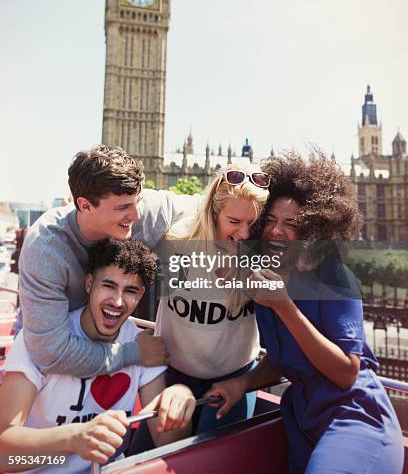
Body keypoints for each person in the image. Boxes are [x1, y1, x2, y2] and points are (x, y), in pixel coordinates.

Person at [206, 153, 404, 474]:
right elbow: (286, 356)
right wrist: (242, 384)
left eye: (291, 224)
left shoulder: (332, 276)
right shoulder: (264, 280)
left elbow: (346, 373)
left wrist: (284, 306)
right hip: (302, 424)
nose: (276, 232)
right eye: (269, 220)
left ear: (313, 230)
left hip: (354, 420)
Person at [0, 238, 196, 473]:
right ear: (89, 283)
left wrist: (178, 398)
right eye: (109, 286)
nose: (118, 301)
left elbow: (169, 443)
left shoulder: (141, 342)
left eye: (130, 290)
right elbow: (4, 458)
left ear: (141, 295)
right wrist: (73, 440)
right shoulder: (41, 339)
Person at [18, 145, 200, 378]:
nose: (135, 216)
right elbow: (51, 353)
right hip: (49, 368)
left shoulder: (142, 210)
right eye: (123, 208)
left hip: (109, 344)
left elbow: (212, 204)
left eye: (138, 201)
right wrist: (132, 353)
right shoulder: (45, 248)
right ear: (84, 205)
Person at [155, 165, 269, 433]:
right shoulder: (175, 240)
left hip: (233, 379)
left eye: (252, 223)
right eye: (234, 222)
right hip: (173, 377)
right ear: (214, 213)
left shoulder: (261, 255)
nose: (244, 233)